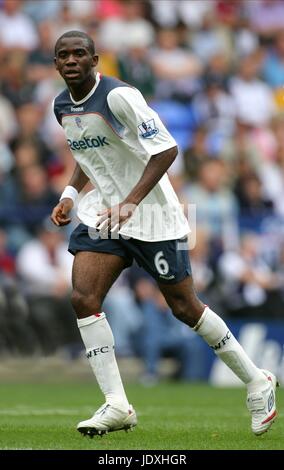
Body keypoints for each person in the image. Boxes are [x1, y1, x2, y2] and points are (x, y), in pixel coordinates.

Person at [51, 30, 278, 438]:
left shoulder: (120, 96)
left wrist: (132, 202)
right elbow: (87, 153)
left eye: (79, 54)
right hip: (106, 216)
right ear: (55, 64)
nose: (71, 60)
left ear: (95, 60)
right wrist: (69, 194)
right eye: (63, 55)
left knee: (185, 307)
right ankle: (117, 404)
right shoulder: (61, 105)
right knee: (83, 297)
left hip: (152, 215)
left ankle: (257, 381)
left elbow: (167, 148)